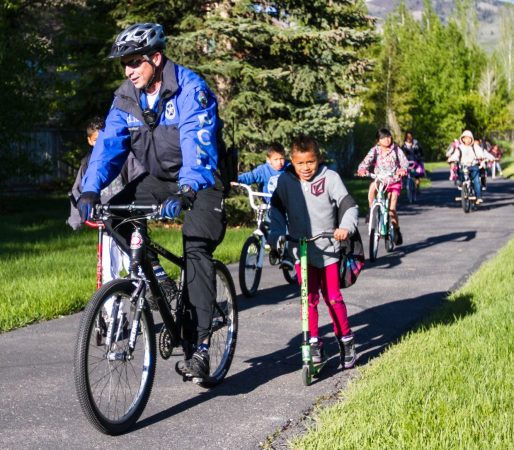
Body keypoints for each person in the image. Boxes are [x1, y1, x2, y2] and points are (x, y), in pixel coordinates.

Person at [76, 23, 226, 381]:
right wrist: (90, 190)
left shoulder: (191, 89)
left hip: (201, 180)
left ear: (155, 58)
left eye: (134, 62)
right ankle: (157, 275)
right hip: (159, 181)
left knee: (196, 246)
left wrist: (188, 189)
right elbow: (108, 146)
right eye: (124, 64)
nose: (129, 71)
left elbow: (197, 143)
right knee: (114, 217)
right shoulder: (126, 97)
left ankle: (201, 347)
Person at [269, 135, 358, 370]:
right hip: (302, 250)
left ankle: (346, 340)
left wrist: (345, 228)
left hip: (328, 249)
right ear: (292, 161)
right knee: (308, 299)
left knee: (333, 297)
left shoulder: (330, 177)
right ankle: (314, 343)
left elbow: (349, 205)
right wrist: (276, 235)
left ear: (317, 159)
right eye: (300, 163)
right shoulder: (286, 182)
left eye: (310, 162)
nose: (306, 168)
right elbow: (276, 211)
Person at [67, 116, 144, 282]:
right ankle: (112, 306)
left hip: (127, 218)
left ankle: (143, 297)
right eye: (96, 140)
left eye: (103, 138)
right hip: (106, 221)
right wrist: (76, 219)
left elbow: (139, 179)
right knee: (108, 269)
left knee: (134, 263)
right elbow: (78, 191)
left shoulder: (124, 157)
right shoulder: (87, 164)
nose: (99, 143)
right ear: (89, 141)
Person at [357, 128, 408, 245]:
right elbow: (366, 161)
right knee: (372, 188)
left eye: (389, 136)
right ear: (378, 140)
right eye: (383, 138)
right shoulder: (375, 150)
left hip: (394, 180)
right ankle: (372, 211)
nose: (387, 140)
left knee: (391, 209)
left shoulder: (396, 149)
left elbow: (404, 162)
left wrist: (402, 170)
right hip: (380, 179)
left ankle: (396, 230)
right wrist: (362, 169)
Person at [447, 130, 495, 205]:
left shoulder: (475, 147)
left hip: (473, 166)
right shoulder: (459, 148)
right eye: (465, 138)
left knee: (476, 181)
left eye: (469, 138)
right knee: (461, 177)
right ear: (462, 139)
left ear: (471, 138)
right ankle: (463, 187)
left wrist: (482, 157)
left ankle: (478, 197)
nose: (467, 140)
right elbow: (455, 155)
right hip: (463, 166)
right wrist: (451, 160)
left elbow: (481, 153)